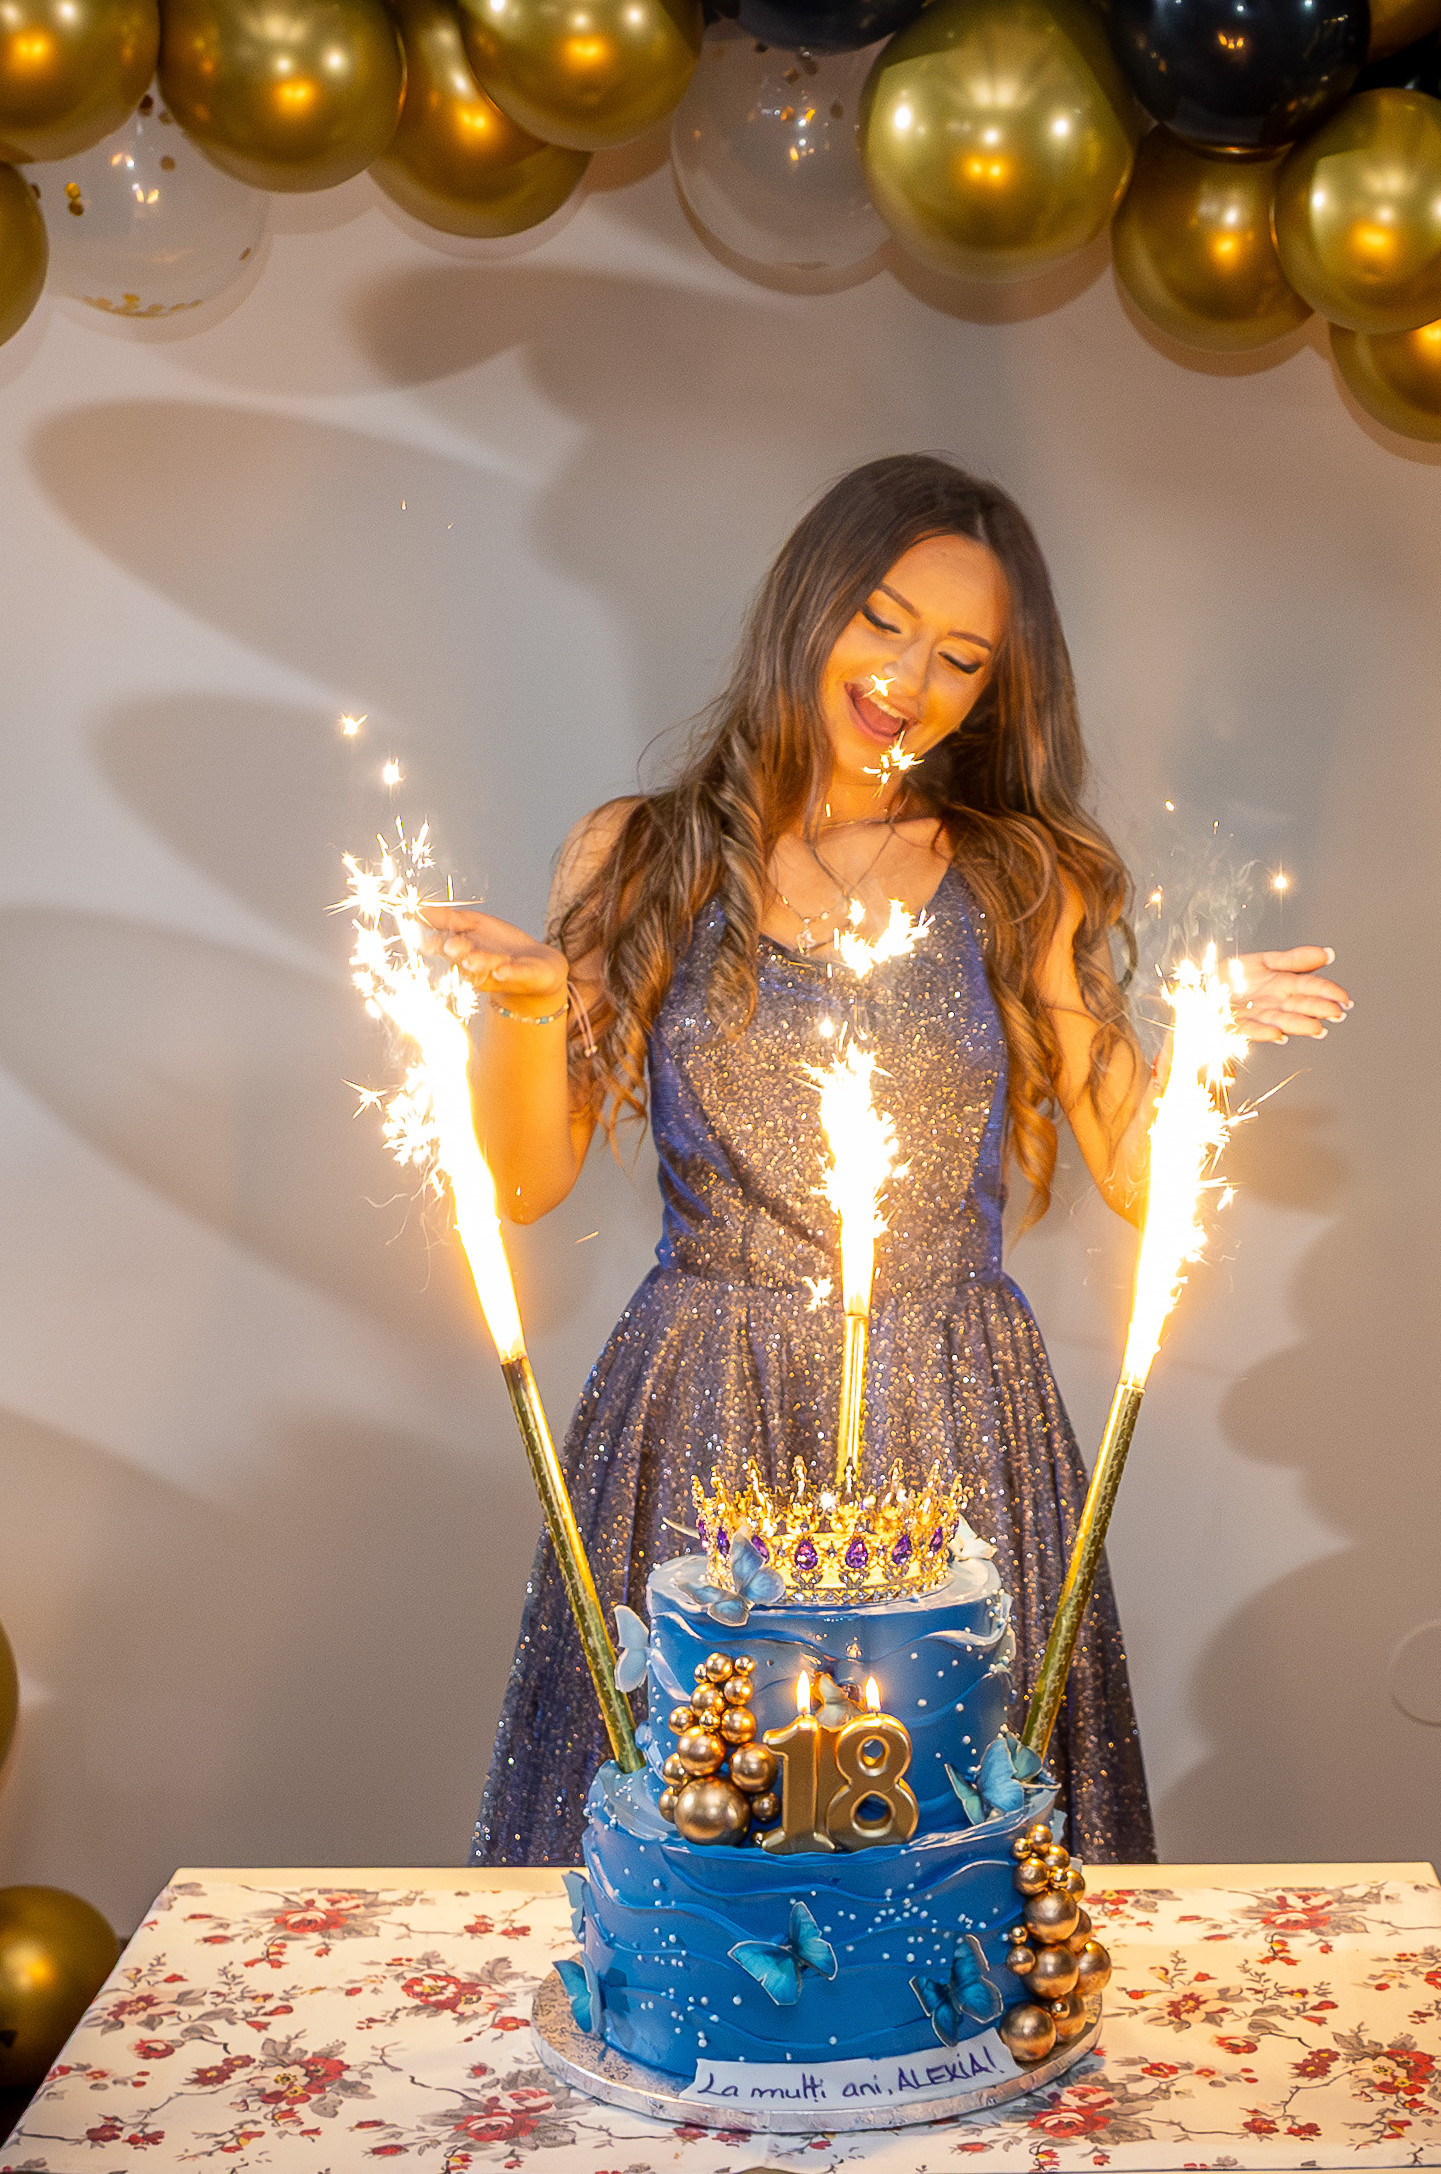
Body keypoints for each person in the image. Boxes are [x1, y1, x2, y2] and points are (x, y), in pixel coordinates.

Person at [432, 453, 1351, 1866]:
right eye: (882, 621)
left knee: (946, 1858)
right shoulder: (642, 856)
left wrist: (1205, 1034)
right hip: (701, 1406)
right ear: (808, 608)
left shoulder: (1020, 877)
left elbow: (1134, 1171)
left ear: (993, 692)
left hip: (953, 1414)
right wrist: (530, 1003)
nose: (909, 680)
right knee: (699, 1852)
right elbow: (519, 1181)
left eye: (961, 660)